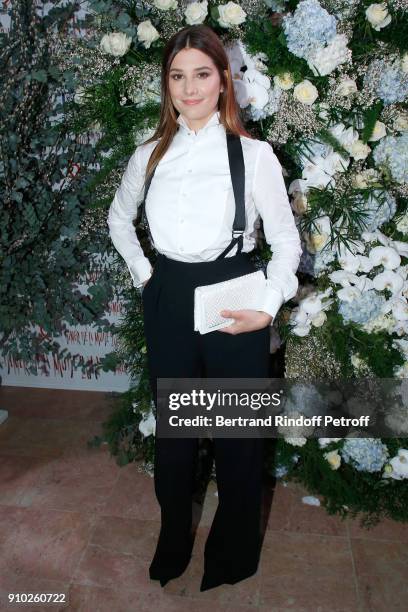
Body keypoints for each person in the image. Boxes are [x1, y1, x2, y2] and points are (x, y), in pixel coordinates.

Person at [107, 24, 302, 592]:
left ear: (222, 82)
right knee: (176, 440)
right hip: (169, 294)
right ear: (166, 85)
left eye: (201, 74)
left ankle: (234, 555)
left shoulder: (255, 155)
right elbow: (120, 220)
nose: (189, 88)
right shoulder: (148, 155)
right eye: (177, 76)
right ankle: (172, 545)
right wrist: (147, 276)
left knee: (239, 440)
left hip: (236, 293)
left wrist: (268, 303)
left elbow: (287, 243)